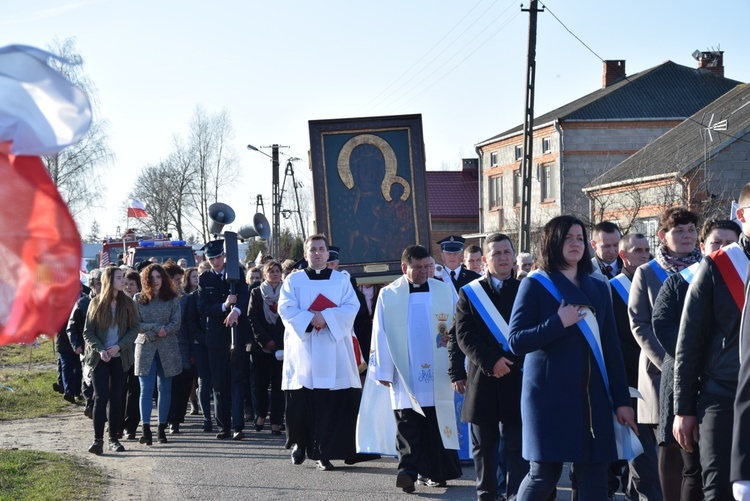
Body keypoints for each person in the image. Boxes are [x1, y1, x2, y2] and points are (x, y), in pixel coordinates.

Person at [508, 215, 636, 499]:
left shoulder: (599, 286)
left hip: (593, 399)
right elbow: (516, 341)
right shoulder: (535, 284)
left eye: (579, 238)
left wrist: (622, 402)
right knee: (544, 476)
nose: (575, 243)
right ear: (553, 242)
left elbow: (611, 348)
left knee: (595, 478)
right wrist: (557, 322)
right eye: (568, 238)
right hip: (547, 398)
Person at [653, 218, 739, 500]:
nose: (723, 249)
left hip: (731, 383)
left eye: (730, 243)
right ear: (704, 247)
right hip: (695, 383)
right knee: (696, 472)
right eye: (717, 243)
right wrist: (699, 364)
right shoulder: (681, 282)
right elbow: (666, 329)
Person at [675, 185, 750, 500]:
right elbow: (689, 340)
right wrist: (684, 408)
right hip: (722, 395)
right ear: (743, 215)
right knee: (719, 491)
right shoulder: (718, 265)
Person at [368, 244, 462, 493]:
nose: (423, 272)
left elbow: (457, 330)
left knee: (436, 422)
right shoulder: (389, 295)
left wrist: (459, 368)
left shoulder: (444, 291)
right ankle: (407, 472)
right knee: (407, 423)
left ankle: (437, 473)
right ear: (404, 268)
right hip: (404, 372)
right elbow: (380, 333)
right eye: (417, 267)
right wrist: (383, 371)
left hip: (439, 374)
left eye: (427, 267)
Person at [629, 207, 700, 495]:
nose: (687, 236)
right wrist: (671, 362)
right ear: (663, 235)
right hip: (661, 372)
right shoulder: (648, 272)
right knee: (670, 444)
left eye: (691, 231)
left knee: (696, 447)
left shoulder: (708, 266)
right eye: (679, 231)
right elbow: (639, 324)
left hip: (702, 371)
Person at [452, 233, 528, 500]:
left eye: (507, 252)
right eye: (496, 253)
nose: (503, 257)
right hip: (483, 379)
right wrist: (491, 361)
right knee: (483, 448)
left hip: (517, 376)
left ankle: (518, 494)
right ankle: (487, 494)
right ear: (485, 259)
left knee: (517, 447)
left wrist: (509, 362)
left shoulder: (526, 289)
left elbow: (532, 334)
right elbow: (463, 335)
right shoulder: (470, 292)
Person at [278, 234, 362, 471]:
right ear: (305, 255)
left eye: (321, 249)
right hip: (303, 348)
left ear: (328, 254)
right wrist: (310, 319)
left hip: (332, 349)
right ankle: (299, 444)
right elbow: (286, 309)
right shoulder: (293, 281)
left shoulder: (341, 280)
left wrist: (325, 317)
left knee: (328, 402)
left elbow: (352, 307)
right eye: (312, 249)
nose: (317, 253)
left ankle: (324, 452)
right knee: (301, 401)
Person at [608, 233, 658, 500]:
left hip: (656, 377)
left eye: (647, 249)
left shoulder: (657, 282)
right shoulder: (612, 289)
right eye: (637, 250)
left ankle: (633, 494)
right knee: (640, 452)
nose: (644, 254)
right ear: (623, 255)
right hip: (631, 379)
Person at [82, 266, 139, 454]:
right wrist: (100, 349)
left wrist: (119, 346)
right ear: (109, 281)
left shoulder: (129, 303)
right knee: (101, 397)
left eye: (123, 277)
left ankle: (114, 438)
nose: (123, 281)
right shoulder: (96, 303)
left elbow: (133, 330)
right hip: (100, 358)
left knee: (116, 399)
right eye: (119, 278)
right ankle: (98, 440)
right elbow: (88, 332)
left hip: (120, 357)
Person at [198, 240, 251, 440]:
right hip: (216, 338)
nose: (215, 261)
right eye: (211, 258)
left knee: (237, 381)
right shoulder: (205, 278)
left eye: (218, 257)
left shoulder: (235, 273)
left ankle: (238, 425)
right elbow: (203, 308)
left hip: (236, 336)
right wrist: (224, 305)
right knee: (219, 384)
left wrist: (236, 311)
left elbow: (244, 295)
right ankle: (224, 426)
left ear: (224, 256)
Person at [134, 263, 182, 445]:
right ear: (146, 280)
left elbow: (176, 322)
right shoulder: (138, 298)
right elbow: (135, 324)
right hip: (145, 348)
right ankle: (146, 429)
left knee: (164, 389)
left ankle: (162, 428)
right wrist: (156, 328)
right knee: (146, 389)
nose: (156, 281)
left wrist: (166, 330)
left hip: (167, 347)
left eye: (159, 277)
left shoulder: (172, 298)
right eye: (152, 278)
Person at [248, 260, 286, 435]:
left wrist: (278, 342)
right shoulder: (256, 292)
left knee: (279, 385)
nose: (275, 274)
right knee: (260, 384)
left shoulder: (287, 292)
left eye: (278, 271)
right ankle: (261, 414)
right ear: (265, 274)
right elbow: (252, 318)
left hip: (282, 345)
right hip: (261, 346)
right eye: (271, 271)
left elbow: (288, 318)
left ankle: (276, 421)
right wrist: (265, 340)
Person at [163, 260, 193, 435]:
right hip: (163, 346)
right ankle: (165, 418)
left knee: (183, 383)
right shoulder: (158, 298)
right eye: (175, 280)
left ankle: (176, 420)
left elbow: (189, 325)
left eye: (180, 279)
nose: (179, 283)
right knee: (167, 386)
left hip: (182, 347)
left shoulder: (186, 299)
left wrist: (191, 351)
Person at [68, 268, 103, 419]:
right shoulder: (82, 303)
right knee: (88, 378)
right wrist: (76, 345)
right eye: (100, 284)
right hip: (87, 350)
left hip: (107, 349)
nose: (103, 287)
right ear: (92, 284)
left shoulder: (110, 303)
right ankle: (90, 404)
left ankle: (101, 407)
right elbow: (72, 326)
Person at [186, 262, 214, 432]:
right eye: (197, 276)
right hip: (201, 344)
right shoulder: (193, 297)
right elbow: (191, 322)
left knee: (218, 382)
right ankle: (206, 417)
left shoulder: (217, 295)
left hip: (217, 344)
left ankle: (221, 416)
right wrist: (203, 339)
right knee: (203, 381)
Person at [119, 268, 142, 440]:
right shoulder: (116, 303)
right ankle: (117, 424)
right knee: (119, 389)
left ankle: (131, 426)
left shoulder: (141, 302)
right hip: (119, 351)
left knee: (134, 390)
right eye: (125, 284)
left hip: (137, 351)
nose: (128, 287)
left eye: (131, 284)